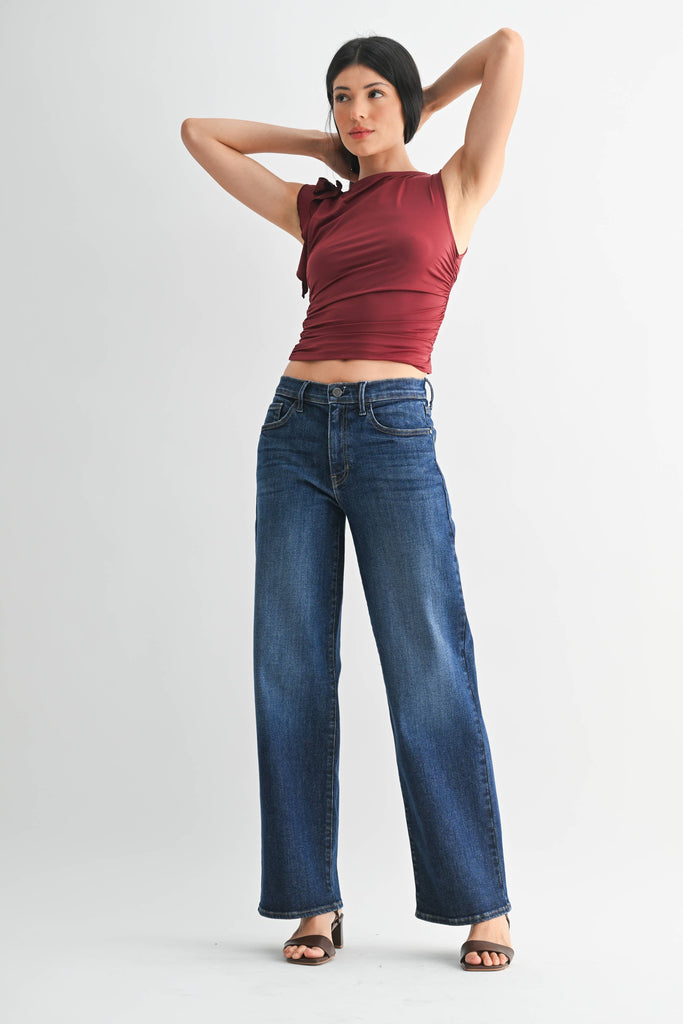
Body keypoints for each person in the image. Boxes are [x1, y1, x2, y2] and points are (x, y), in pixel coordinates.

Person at [181, 27, 524, 971]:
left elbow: (505, 46)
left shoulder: (451, 187)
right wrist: (320, 143)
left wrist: (414, 110)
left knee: (427, 665)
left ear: (404, 103)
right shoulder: (318, 211)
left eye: (373, 93)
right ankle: (311, 900)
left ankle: (479, 903)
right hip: (292, 428)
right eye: (343, 97)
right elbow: (198, 133)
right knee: (289, 667)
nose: (356, 110)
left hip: (392, 432)